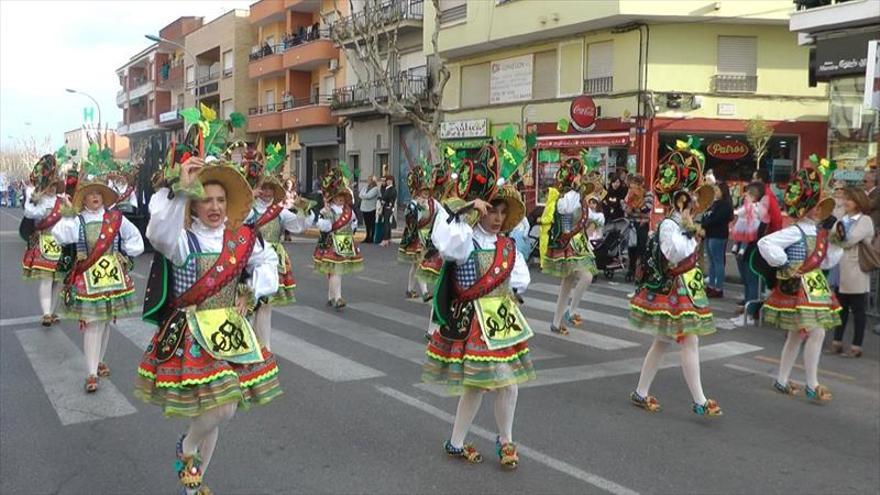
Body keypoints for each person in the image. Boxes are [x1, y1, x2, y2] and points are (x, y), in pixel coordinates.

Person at [136, 137, 282, 493]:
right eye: (206, 201)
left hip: (229, 331)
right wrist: (182, 190)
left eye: (220, 200)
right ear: (195, 207)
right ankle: (186, 448)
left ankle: (194, 479)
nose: (214, 207)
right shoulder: (183, 240)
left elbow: (268, 262)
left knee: (217, 410)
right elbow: (157, 232)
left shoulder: (243, 238)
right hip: (191, 333)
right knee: (221, 408)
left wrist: (252, 289)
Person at [423, 144, 534, 470]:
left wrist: (508, 295)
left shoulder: (508, 245)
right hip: (472, 321)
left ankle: (505, 439)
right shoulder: (465, 237)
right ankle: (457, 441)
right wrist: (468, 208)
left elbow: (520, 279)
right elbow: (447, 245)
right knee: (478, 385)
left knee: (509, 382)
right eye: (492, 210)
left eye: (502, 212)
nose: (497, 218)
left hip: (500, 319)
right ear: (480, 209)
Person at [629, 138, 722, 417]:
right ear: (680, 201)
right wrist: (690, 233)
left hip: (687, 287)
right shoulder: (670, 225)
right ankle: (699, 400)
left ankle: (641, 391)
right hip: (674, 289)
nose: (695, 203)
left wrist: (690, 229)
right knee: (687, 340)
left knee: (663, 341)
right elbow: (674, 253)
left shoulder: (682, 224)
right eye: (691, 199)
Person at [52, 165, 144, 393]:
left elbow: (136, 240)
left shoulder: (115, 219)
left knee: (104, 322)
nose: (94, 197)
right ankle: (91, 372)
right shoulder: (78, 220)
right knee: (93, 323)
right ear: (82, 199)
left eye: (98, 193)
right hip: (87, 279)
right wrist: (69, 213)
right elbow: (59, 235)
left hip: (112, 279)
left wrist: (124, 254)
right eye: (89, 193)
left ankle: (99, 360)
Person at [757, 165, 843, 403]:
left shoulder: (819, 233)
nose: (818, 210)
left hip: (814, 286)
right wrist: (784, 262)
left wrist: (837, 244)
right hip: (800, 288)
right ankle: (812, 383)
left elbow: (826, 262)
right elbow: (765, 244)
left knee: (798, 335)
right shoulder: (795, 231)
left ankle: (782, 379)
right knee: (816, 332)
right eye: (816, 205)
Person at [243, 148, 312, 352]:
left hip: (272, 259)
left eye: (270, 189)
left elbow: (298, 225)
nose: (266, 192)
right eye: (262, 188)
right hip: (247, 259)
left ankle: (264, 347)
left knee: (265, 304)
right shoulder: (247, 209)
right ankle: (250, 344)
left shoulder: (279, 212)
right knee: (247, 302)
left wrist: (304, 210)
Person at [539, 157, 598, 335]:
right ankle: (570, 311)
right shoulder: (565, 197)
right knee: (586, 276)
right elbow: (568, 211)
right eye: (580, 175)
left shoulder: (575, 195)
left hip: (576, 240)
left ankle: (556, 323)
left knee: (568, 281)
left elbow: (584, 215)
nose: (582, 178)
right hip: (568, 241)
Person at [826, 187, 875, 358]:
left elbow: (848, 241)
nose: (846, 202)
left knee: (858, 310)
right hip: (839, 269)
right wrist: (838, 238)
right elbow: (831, 238)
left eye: (850, 199)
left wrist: (838, 238)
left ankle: (856, 346)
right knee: (841, 308)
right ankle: (837, 342)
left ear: (859, 202)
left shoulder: (865, 220)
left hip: (856, 270)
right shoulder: (843, 218)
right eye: (845, 199)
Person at [22, 154, 66, 326]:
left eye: (55, 185)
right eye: (51, 185)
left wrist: (70, 209)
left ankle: (52, 311)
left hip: (61, 244)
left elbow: (71, 221)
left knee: (59, 280)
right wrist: (37, 197)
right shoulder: (36, 197)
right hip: (44, 241)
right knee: (47, 278)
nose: (53, 188)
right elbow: (30, 214)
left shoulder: (62, 201)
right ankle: (46, 313)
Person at [314, 167, 363, 310]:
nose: (341, 200)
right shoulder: (327, 210)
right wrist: (327, 217)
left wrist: (352, 230)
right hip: (332, 243)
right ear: (333, 198)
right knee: (336, 270)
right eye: (338, 198)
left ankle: (332, 297)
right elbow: (323, 226)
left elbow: (354, 222)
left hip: (345, 242)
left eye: (343, 198)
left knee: (338, 271)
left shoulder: (349, 211)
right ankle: (337, 297)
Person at [730, 182, 768, 326]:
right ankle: (746, 311)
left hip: (752, 247)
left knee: (752, 282)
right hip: (743, 242)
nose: (745, 197)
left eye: (748, 194)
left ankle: (750, 314)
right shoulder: (747, 208)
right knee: (746, 280)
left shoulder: (759, 209)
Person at [398, 165, 437, 301]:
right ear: (418, 191)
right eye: (423, 191)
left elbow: (441, 213)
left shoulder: (432, 203)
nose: (426, 193)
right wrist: (418, 208)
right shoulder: (413, 204)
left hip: (429, 237)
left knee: (416, 265)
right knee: (419, 264)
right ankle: (425, 292)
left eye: (427, 191)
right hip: (417, 237)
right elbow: (410, 219)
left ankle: (409, 289)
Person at [701, 182, 734, 298]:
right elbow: (706, 215)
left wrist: (706, 223)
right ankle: (711, 286)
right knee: (712, 263)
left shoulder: (725, 205)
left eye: (717, 191)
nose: (715, 193)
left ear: (723, 192)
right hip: (709, 234)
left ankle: (718, 287)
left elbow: (716, 219)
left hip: (718, 236)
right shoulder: (714, 203)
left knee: (718, 261)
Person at [624, 174, 652, 281]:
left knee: (642, 248)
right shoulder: (629, 193)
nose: (634, 185)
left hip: (642, 224)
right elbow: (625, 205)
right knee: (632, 248)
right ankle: (631, 269)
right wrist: (628, 208)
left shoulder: (647, 194)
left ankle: (643, 271)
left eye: (636, 183)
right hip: (632, 223)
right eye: (633, 183)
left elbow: (647, 208)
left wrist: (635, 208)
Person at [753, 169, 783, 235]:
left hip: (771, 233)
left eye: (754, 178)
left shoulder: (766, 194)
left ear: (760, 180)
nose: (752, 181)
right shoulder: (765, 192)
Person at [360, 175, 380, 243]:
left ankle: (371, 237)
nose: (368, 181)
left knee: (372, 224)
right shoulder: (365, 187)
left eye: (369, 180)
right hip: (364, 208)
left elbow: (369, 196)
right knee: (367, 224)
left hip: (371, 208)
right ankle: (367, 237)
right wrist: (363, 196)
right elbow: (360, 194)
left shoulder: (375, 188)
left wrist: (363, 196)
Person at [378, 175, 397, 246]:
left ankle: (385, 239)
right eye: (387, 180)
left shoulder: (392, 189)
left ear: (392, 181)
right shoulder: (386, 188)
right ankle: (388, 238)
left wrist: (388, 204)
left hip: (388, 207)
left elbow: (390, 198)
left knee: (386, 223)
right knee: (387, 223)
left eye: (390, 181)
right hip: (386, 207)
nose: (388, 182)